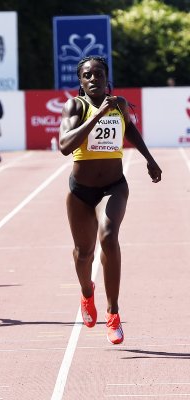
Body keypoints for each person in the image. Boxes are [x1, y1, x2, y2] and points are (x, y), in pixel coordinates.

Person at [59, 56, 162, 345]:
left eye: (99, 74)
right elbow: (64, 146)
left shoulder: (118, 104)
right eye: (87, 75)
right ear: (81, 81)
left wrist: (149, 159)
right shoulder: (75, 107)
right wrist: (96, 115)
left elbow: (129, 129)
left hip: (113, 186)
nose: (94, 79)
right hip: (80, 190)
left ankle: (113, 313)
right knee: (83, 252)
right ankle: (87, 293)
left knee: (109, 236)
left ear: (106, 77)